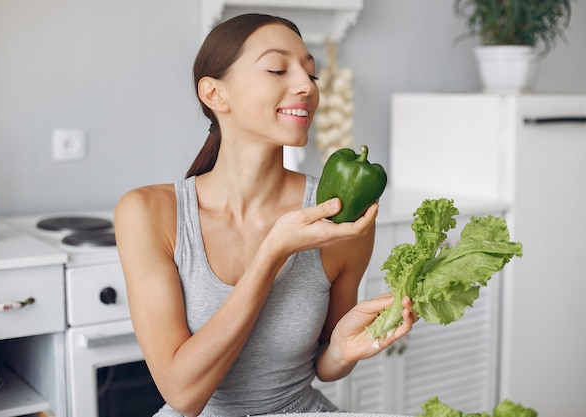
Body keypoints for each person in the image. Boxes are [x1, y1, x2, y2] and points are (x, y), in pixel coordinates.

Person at [114, 13, 417, 417]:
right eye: (277, 69)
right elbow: (183, 396)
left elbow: (325, 364)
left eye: (313, 75)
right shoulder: (148, 214)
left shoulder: (340, 215)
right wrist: (272, 252)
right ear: (215, 94)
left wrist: (343, 350)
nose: (305, 87)